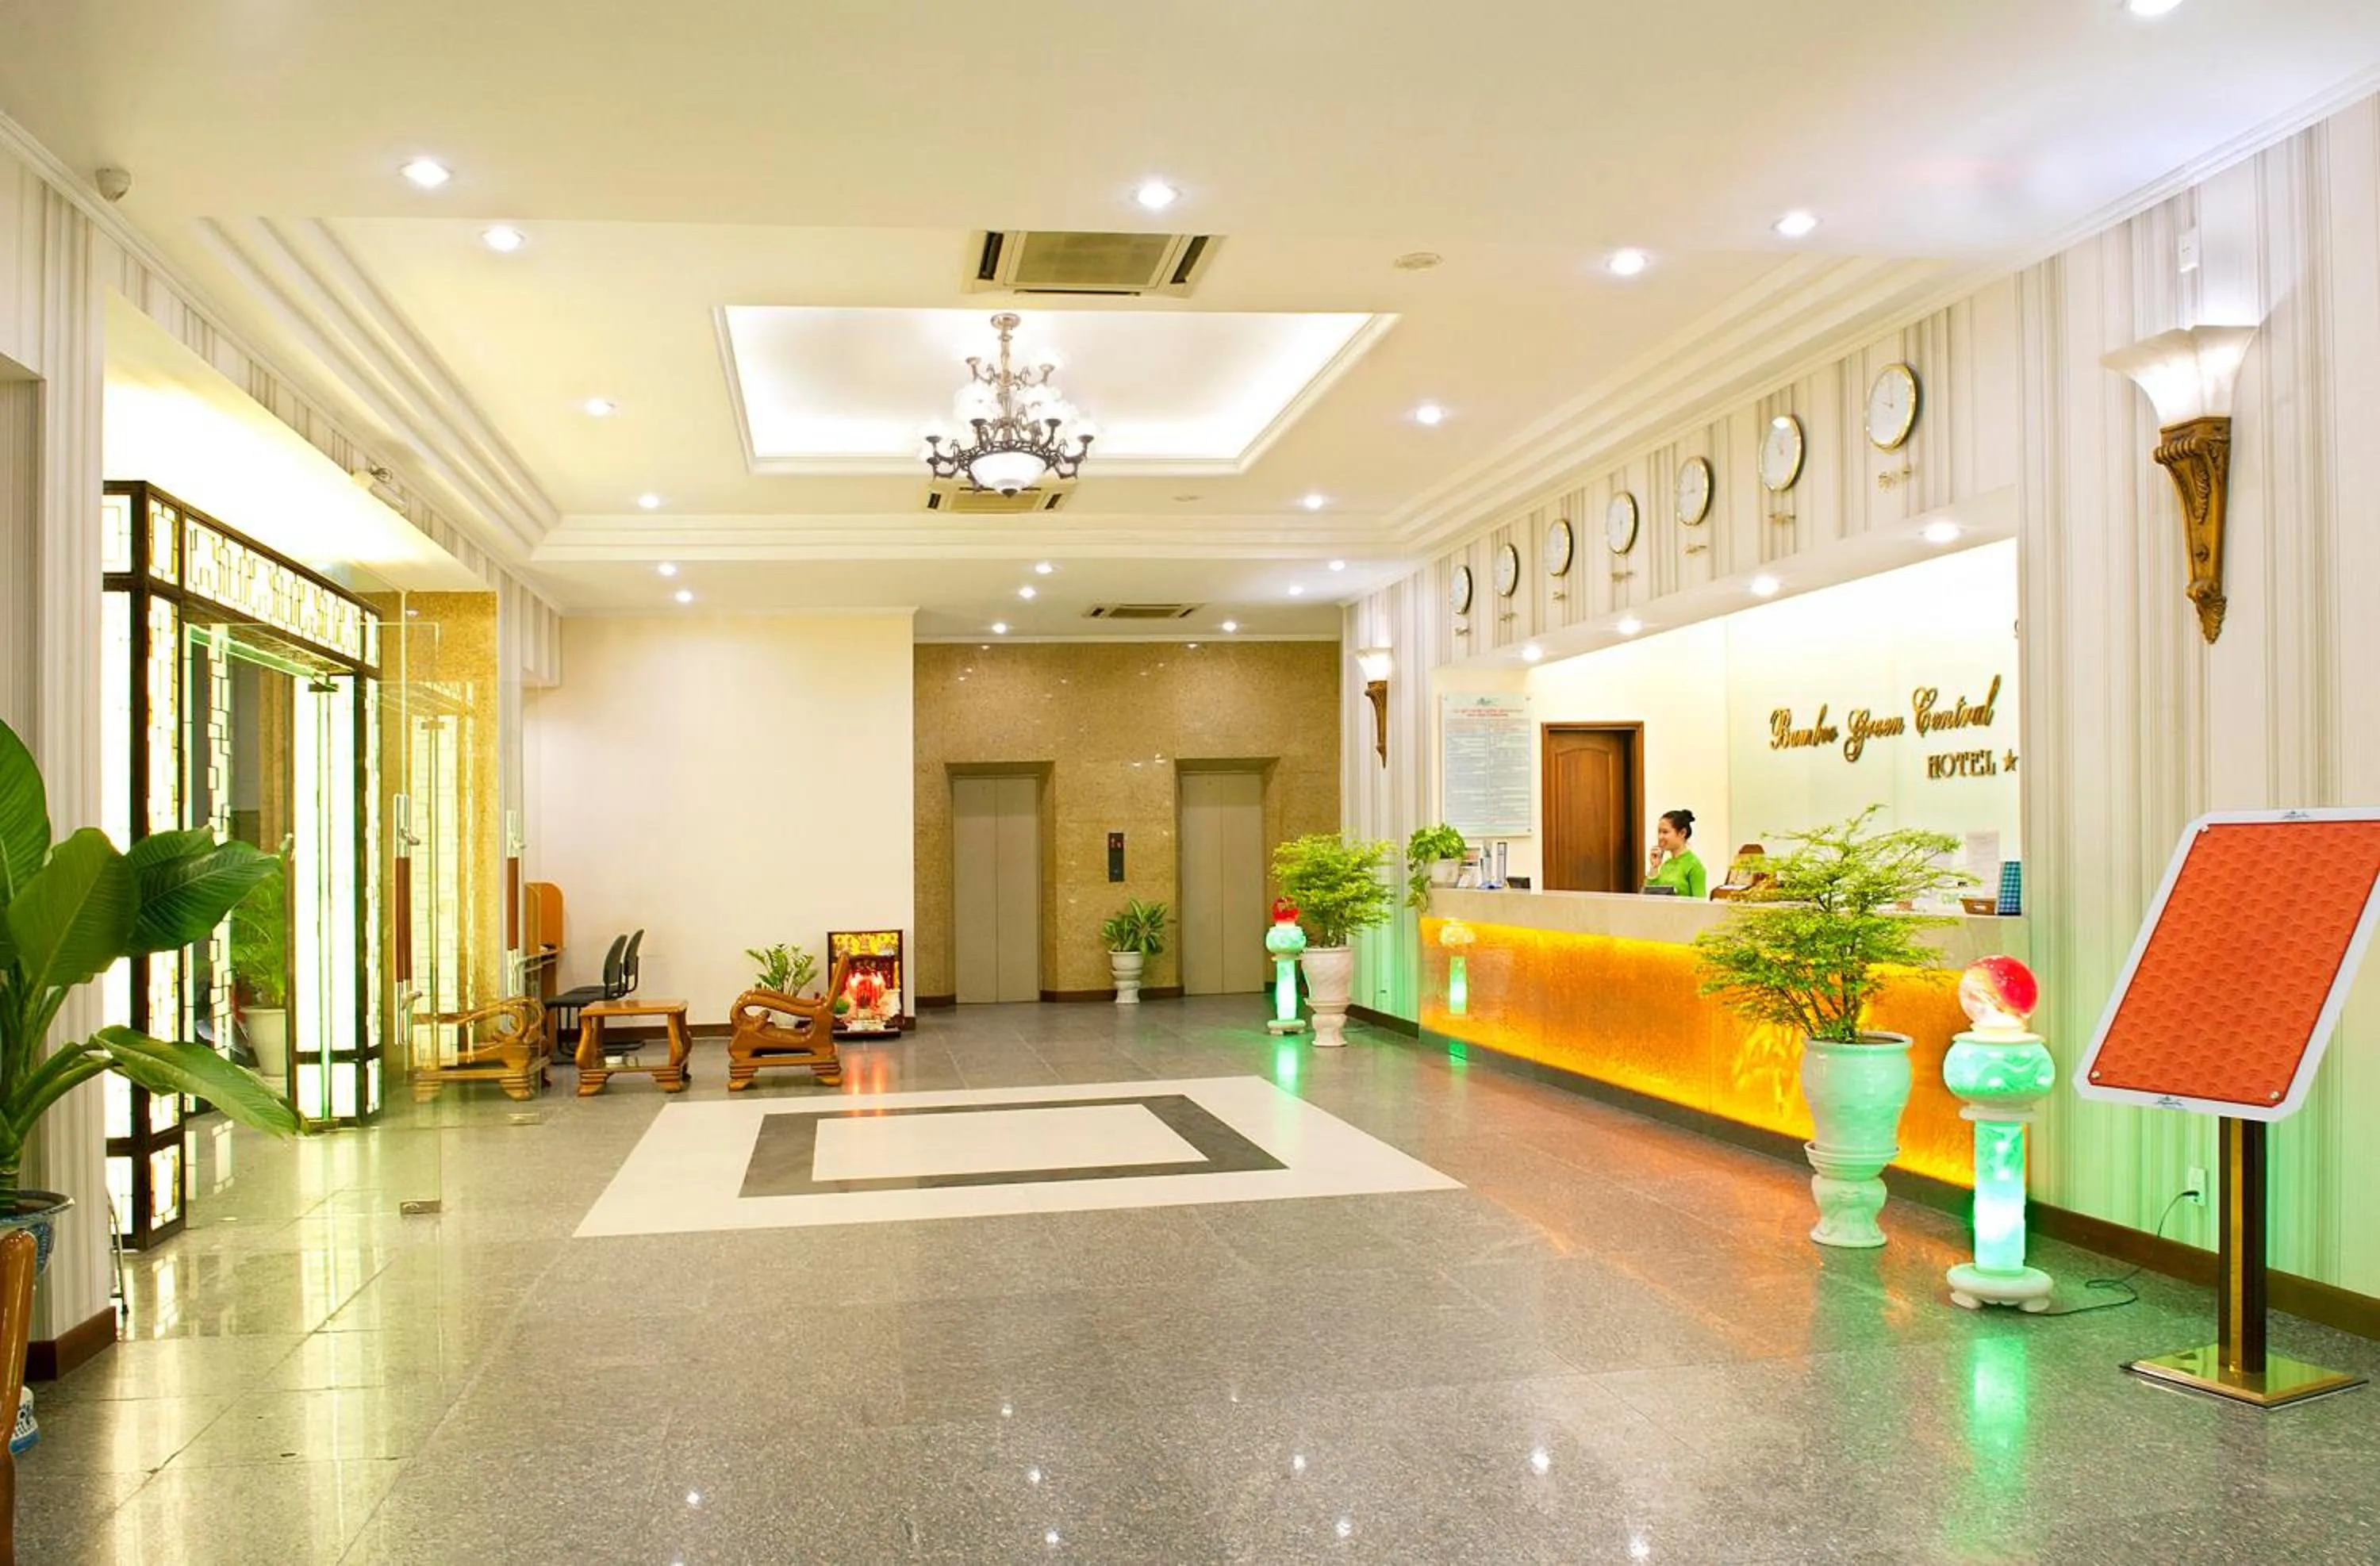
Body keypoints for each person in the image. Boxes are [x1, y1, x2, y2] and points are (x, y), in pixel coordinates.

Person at [1644, 808, 1708, 899]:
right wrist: (1654, 867)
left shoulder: (1694, 865)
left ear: (1682, 833)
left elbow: (1700, 904)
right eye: (1659, 832)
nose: (1660, 837)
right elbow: (1650, 896)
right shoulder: (1666, 864)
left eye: (1665, 832)